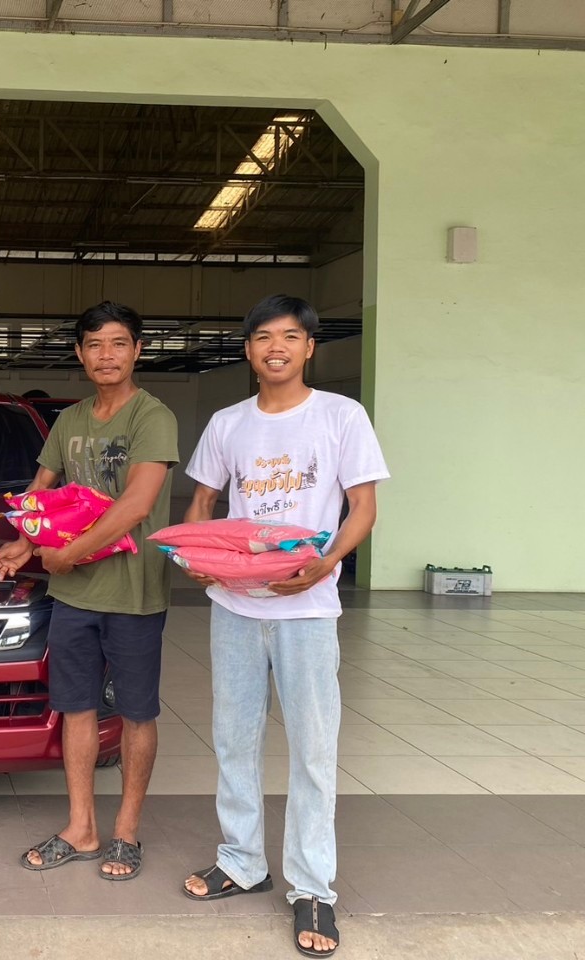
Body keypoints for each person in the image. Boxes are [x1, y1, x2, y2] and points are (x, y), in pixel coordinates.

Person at [179, 294, 389, 958]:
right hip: (237, 610)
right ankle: (243, 860)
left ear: (309, 348)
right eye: (264, 336)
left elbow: (362, 506)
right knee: (233, 740)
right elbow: (203, 499)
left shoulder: (340, 416)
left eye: (290, 336)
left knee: (313, 750)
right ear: (248, 350)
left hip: (307, 611)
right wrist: (199, 557)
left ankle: (313, 886)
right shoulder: (228, 423)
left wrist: (325, 564)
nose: (277, 347)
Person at [0, 301, 178, 881]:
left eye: (118, 344)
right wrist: (24, 542)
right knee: (75, 709)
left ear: (137, 350)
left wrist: (66, 554)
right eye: (94, 345)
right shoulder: (70, 421)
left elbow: (136, 504)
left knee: (136, 713)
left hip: (134, 596)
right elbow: (40, 493)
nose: (106, 355)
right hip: (74, 598)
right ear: (79, 354)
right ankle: (82, 828)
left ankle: (126, 832)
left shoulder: (153, 416)